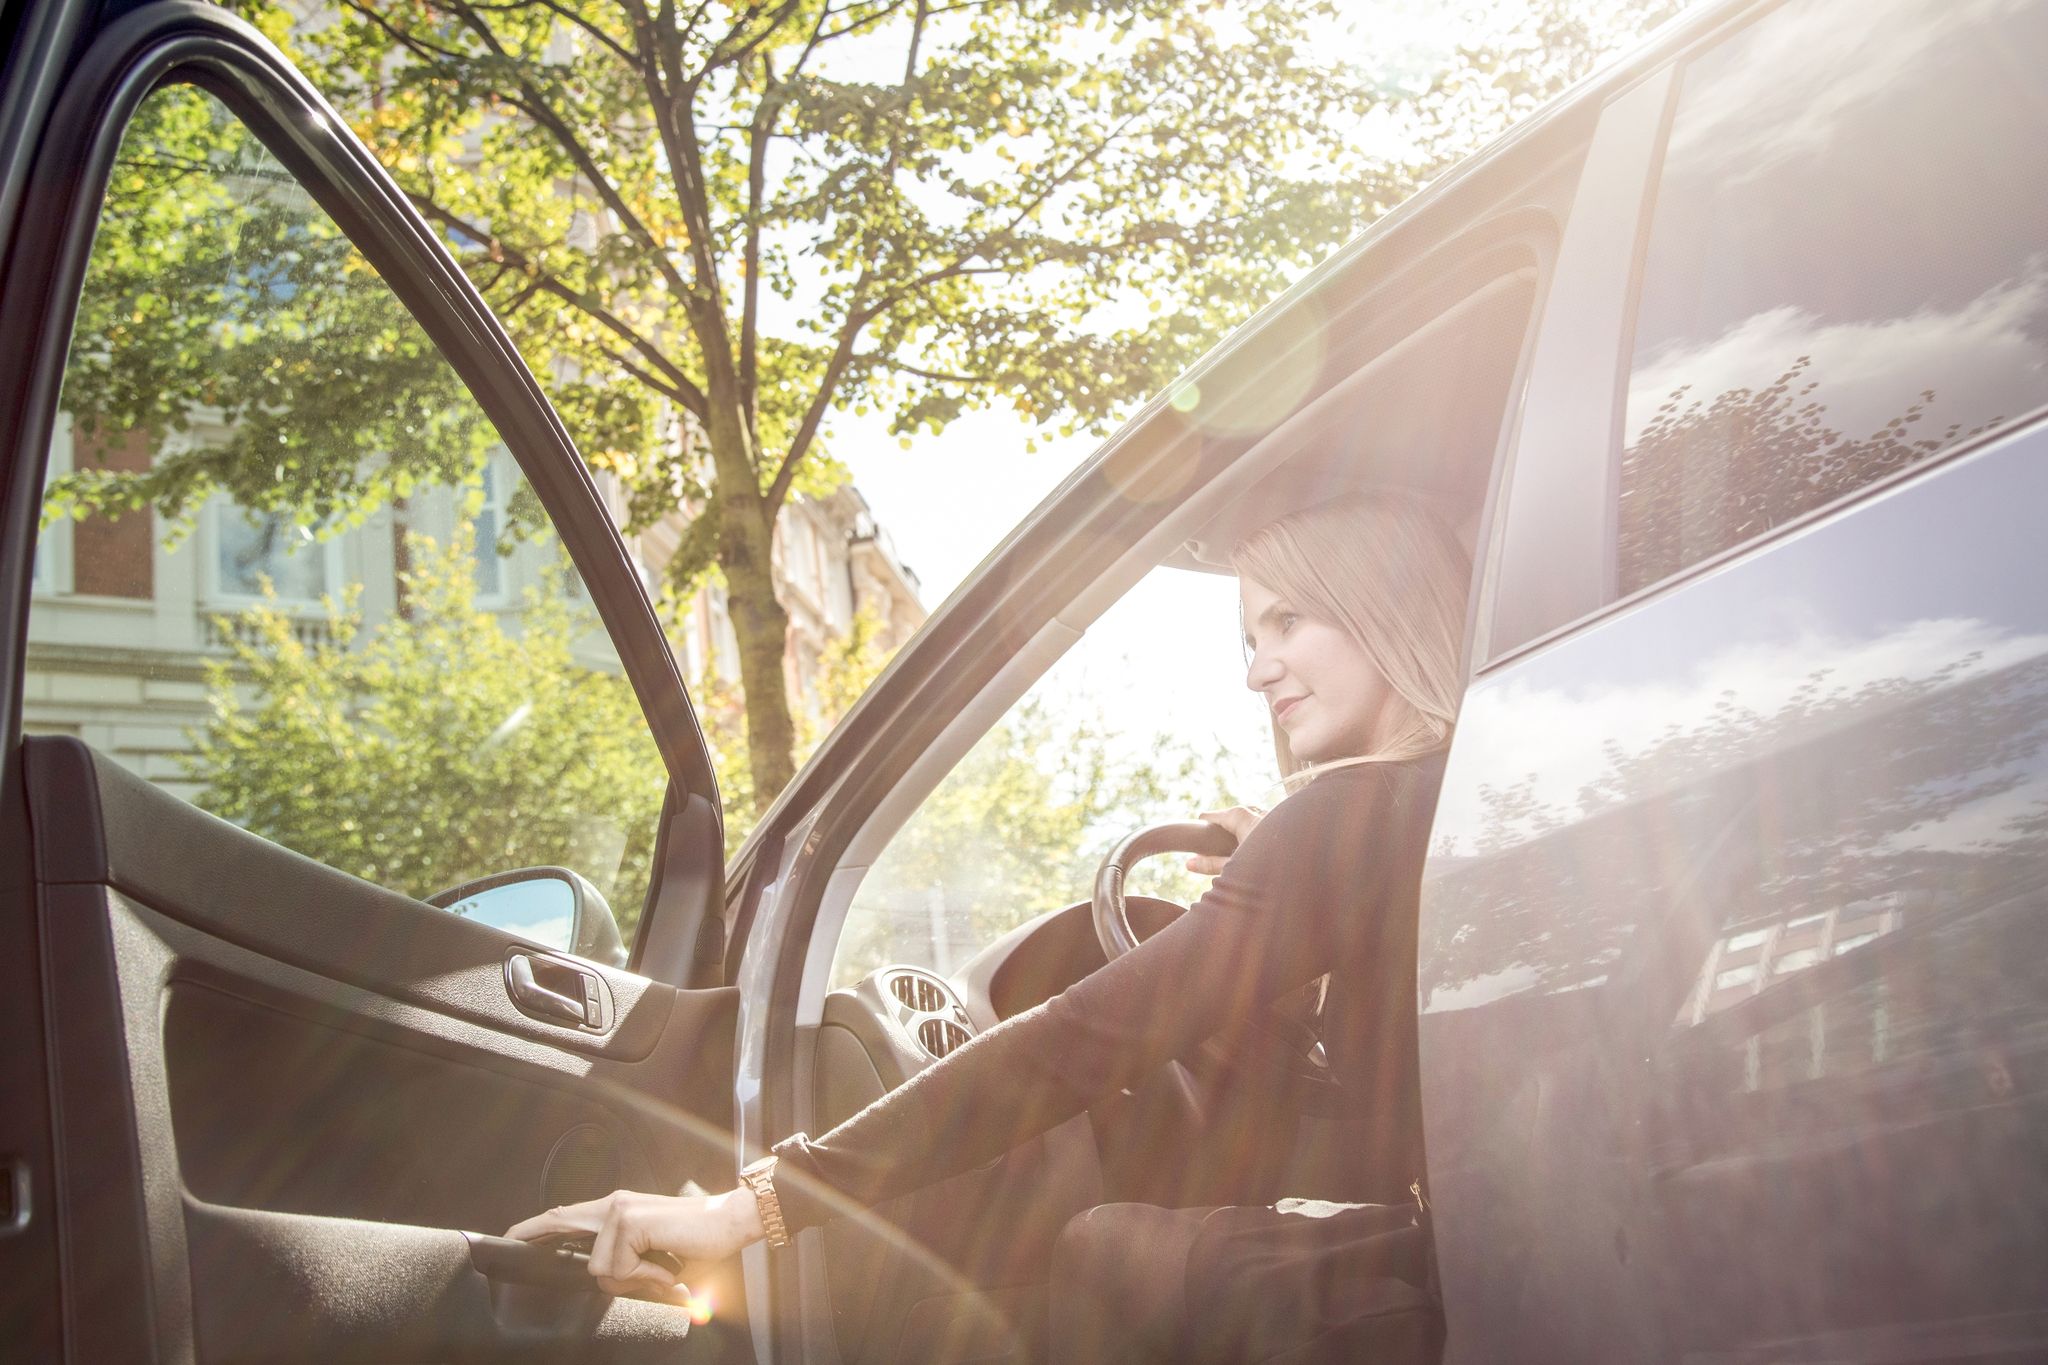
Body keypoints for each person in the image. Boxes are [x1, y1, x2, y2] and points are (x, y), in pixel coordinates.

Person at [509, 492, 1470, 1363]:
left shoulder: (1349, 816)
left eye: (1287, 620)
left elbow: (1068, 1050)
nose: (1259, 670)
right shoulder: (1447, 798)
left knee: (1101, 1247)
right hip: (1467, 1238)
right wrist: (1288, 929)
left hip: (1441, 1261)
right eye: (1249, 635)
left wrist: (748, 1204)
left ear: (1379, 604)